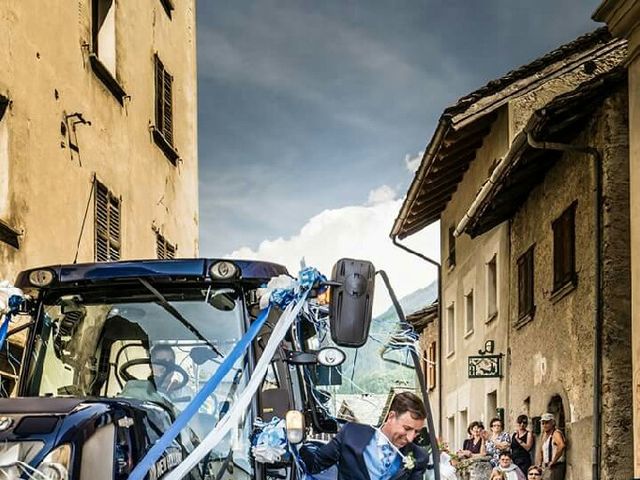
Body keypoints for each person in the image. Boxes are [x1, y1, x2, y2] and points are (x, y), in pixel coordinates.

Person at [300, 392, 430, 480]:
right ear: (391, 417)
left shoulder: (419, 457)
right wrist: (295, 439)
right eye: (407, 428)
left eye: (417, 431)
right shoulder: (351, 434)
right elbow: (315, 464)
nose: (410, 437)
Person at [535, 413, 566, 480]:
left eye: (547, 423)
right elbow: (541, 450)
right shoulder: (544, 435)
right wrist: (539, 464)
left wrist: (554, 461)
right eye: (543, 423)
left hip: (556, 466)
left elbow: (561, 445)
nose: (544, 425)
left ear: (552, 423)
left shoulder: (556, 433)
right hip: (547, 466)